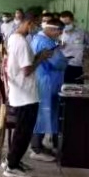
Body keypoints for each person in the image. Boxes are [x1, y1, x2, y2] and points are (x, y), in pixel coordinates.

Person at [3, 13, 55, 177]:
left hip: (20, 91)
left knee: (21, 130)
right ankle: (12, 167)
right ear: (29, 23)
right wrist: (41, 58)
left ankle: (13, 160)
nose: (37, 28)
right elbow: (26, 70)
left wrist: (38, 57)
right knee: (23, 133)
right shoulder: (22, 42)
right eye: (36, 24)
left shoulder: (14, 38)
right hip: (25, 94)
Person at [30, 18, 67, 163]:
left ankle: (39, 145)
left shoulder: (40, 39)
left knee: (44, 114)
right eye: (59, 31)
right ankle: (36, 148)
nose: (60, 34)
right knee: (43, 114)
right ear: (52, 29)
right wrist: (65, 61)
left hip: (45, 80)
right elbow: (58, 62)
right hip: (46, 81)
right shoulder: (45, 42)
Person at [59, 11, 89, 85]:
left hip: (77, 66)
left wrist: (88, 54)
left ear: (72, 20)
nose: (65, 26)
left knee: (77, 88)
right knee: (63, 88)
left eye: (67, 23)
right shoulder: (58, 33)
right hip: (62, 66)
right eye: (63, 24)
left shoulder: (81, 32)